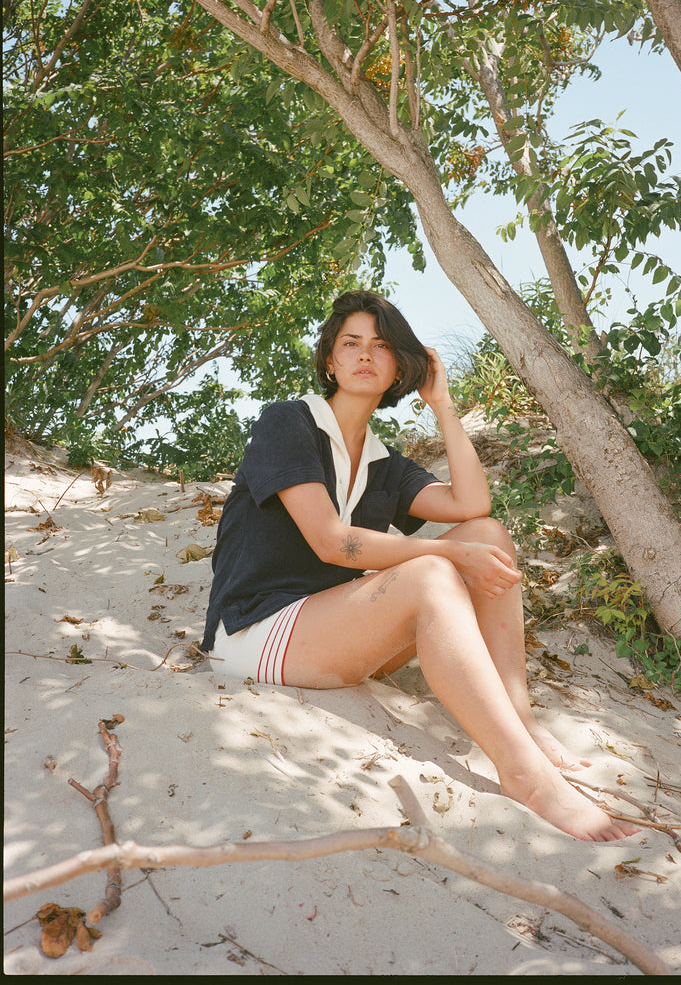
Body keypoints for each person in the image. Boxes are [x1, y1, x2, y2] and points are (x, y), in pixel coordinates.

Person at [202, 290, 639, 843]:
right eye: (350, 343)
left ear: (399, 368)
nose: (364, 355)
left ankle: (520, 719)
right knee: (436, 568)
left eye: (381, 346)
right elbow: (331, 543)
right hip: (256, 631)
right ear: (330, 360)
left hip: (333, 633)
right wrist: (447, 553)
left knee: (489, 536)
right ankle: (526, 776)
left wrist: (444, 405)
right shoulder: (288, 422)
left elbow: (470, 506)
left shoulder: (384, 461)